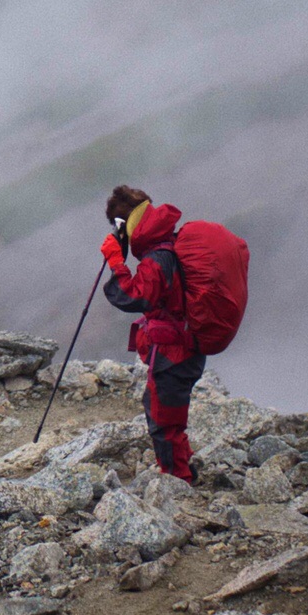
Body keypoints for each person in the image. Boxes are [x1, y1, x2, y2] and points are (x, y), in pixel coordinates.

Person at [99, 184, 205, 482]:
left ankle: (178, 481)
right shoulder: (166, 244)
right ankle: (184, 467)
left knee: (163, 418)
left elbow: (136, 296)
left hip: (174, 352)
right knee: (165, 410)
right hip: (183, 348)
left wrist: (116, 262)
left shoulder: (158, 257)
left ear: (126, 225)